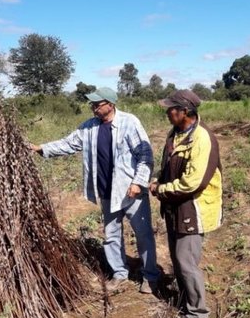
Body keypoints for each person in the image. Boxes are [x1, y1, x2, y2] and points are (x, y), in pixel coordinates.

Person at [29, 87, 159, 294]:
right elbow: (68, 143)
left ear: (110, 104)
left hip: (131, 190)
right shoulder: (89, 127)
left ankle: (150, 276)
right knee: (111, 235)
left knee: (143, 235)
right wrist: (41, 148)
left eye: (97, 105)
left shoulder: (129, 122)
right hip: (107, 191)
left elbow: (145, 154)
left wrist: (138, 182)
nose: (93, 108)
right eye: (92, 104)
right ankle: (119, 273)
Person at [150, 90, 222, 318]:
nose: (167, 112)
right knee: (177, 257)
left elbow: (193, 182)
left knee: (185, 261)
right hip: (175, 206)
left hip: (193, 209)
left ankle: (198, 314)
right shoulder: (176, 133)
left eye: (171, 108)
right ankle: (185, 299)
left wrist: (160, 189)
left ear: (185, 112)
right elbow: (168, 166)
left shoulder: (202, 138)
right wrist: (159, 180)